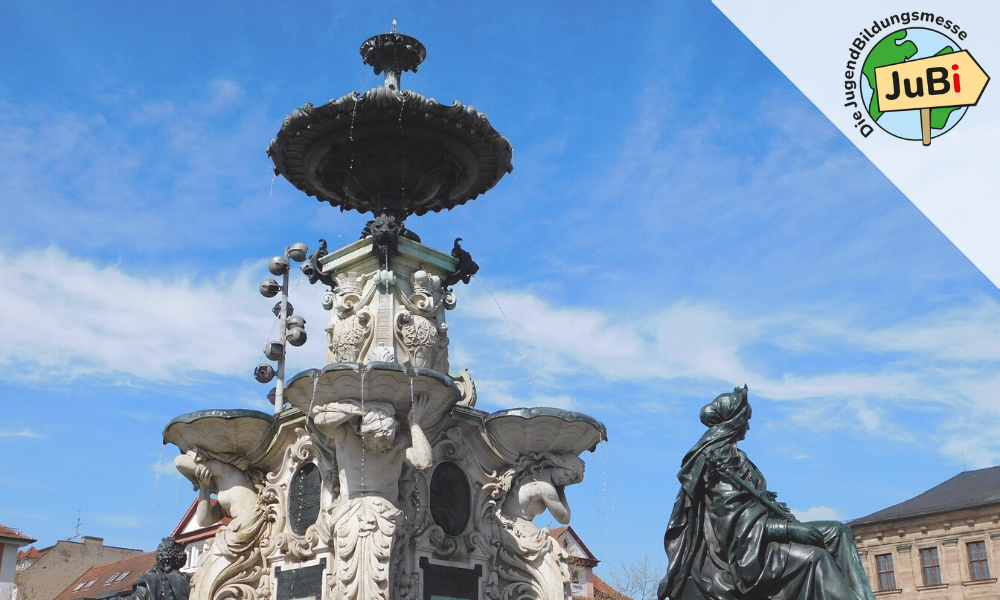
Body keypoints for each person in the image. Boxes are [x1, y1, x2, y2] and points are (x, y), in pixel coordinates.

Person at [658, 386, 876, 600]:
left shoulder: (737, 456)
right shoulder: (717, 461)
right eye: (746, 420)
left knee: (838, 532)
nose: (748, 427)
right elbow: (734, 527)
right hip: (743, 552)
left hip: (759, 534)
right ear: (734, 421)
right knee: (815, 558)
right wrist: (790, 529)